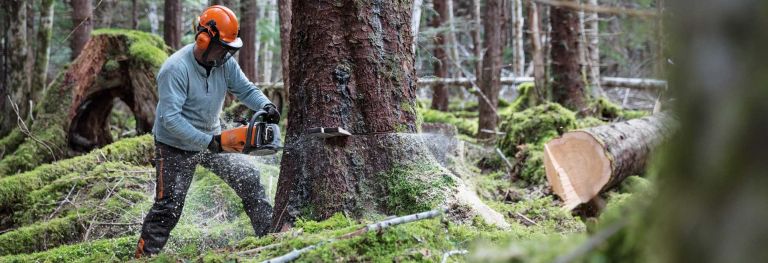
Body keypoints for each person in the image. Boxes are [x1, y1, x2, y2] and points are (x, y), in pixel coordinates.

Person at [134, 5, 280, 258]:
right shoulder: (175, 69)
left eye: (229, 48)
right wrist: (209, 142)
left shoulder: (224, 62)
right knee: (168, 207)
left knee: (249, 180)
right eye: (223, 47)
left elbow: (245, 90)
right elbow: (170, 120)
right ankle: (144, 256)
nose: (226, 54)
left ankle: (271, 238)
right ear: (204, 39)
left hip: (213, 137)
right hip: (174, 145)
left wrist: (265, 105)